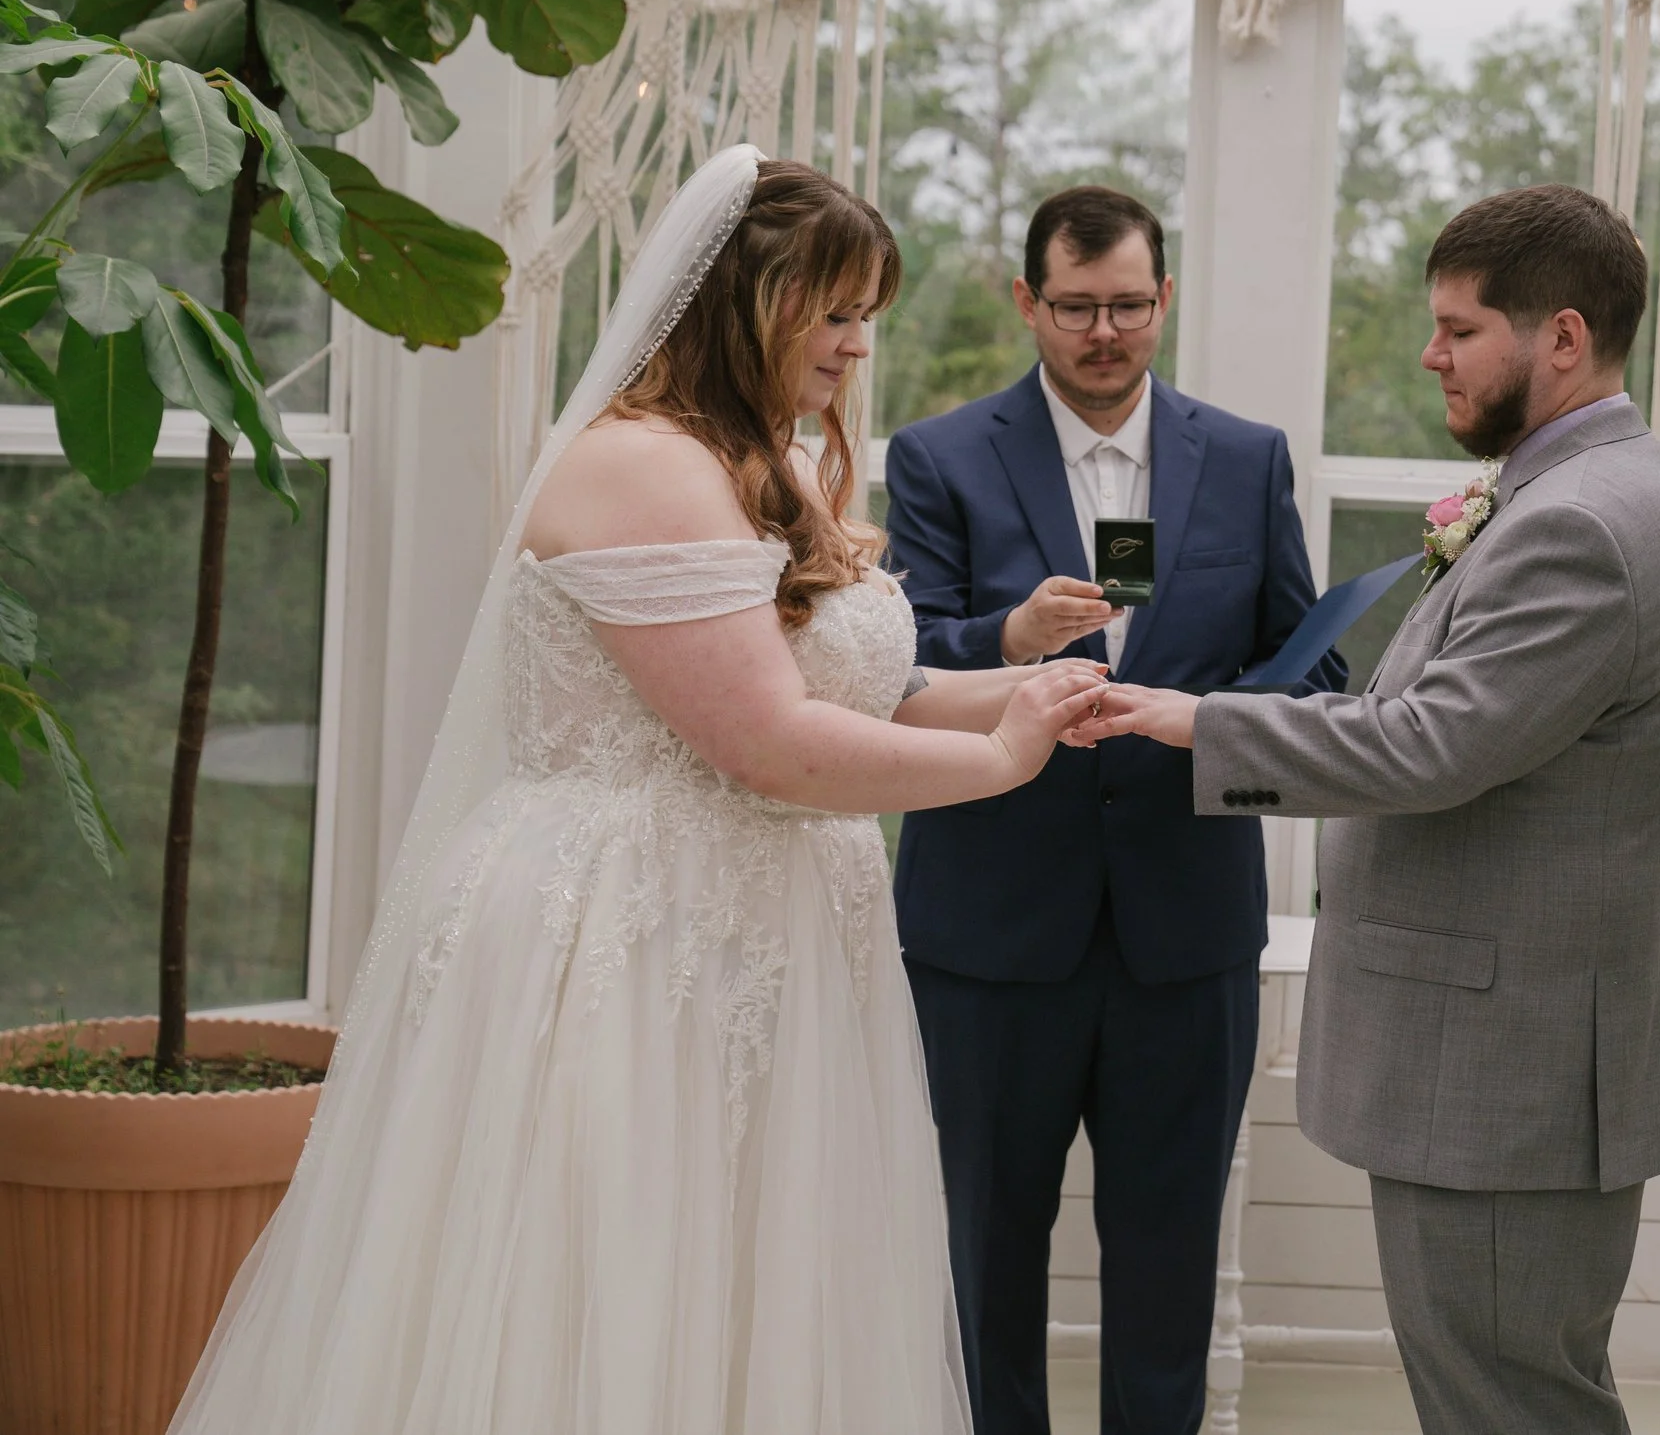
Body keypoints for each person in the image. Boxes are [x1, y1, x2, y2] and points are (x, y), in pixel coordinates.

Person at [166, 150, 1107, 1434]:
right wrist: (1002, 762)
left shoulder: (760, 461)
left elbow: (857, 691)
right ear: (748, 303)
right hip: (636, 932)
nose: (854, 347)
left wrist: (1029, 694)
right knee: (607, 1289)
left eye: (864, 316)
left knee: (743, 1288)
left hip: (761, 936)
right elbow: (766, 741)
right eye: (834, 314)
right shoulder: (645, 468)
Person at [1076, 184, 1660, 1435]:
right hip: (1502, 1061)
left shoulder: (1581, 524)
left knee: (1508, 1405)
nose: (1432, 354)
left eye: (1460, 328)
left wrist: (1193, 719)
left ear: (1563, 338)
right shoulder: (1581, 488)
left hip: (1506, 1069)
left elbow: (1428, 743)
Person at [881, 185, 1342, 1435]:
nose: (1103, 332)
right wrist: (1008, 637)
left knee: (1169, 1258)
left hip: (1185, 931)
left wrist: (1200, 717)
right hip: (988, 930)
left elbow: (1311, 667)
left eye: (1128, 305)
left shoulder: (1246, 458)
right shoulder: (938, 457)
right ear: (1026, 302)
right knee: (981, 1257)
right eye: (1076, 306)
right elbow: (887, 663)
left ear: (1164, 299)